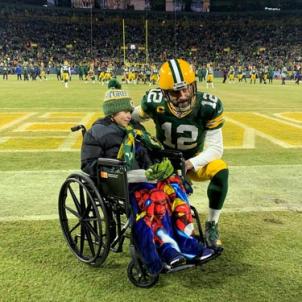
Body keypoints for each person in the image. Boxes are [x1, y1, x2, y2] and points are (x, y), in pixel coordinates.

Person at [81, 79, 214, 274]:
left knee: (175, 187)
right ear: (112, 112)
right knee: (155, 198)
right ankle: (166, 250)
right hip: (122, 184)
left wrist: (161, 167)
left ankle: (187, 243)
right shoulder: (96, 133)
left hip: (146, 176)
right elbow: (89, 165)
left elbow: (151, 152)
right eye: (125, 111)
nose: (129, 114)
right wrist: (125, 172)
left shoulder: (136, 128)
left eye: (130, 110)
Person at [132, 58, 229, 249]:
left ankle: (212, 223)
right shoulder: (154, 101)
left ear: (194, 85)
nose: (183, 95)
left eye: (186, 88)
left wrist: (190, 163)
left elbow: (216, 148)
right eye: (176, 91)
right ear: (164, 93)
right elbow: (132, 117)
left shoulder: (209, 106)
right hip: (163, 162)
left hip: (192, 160)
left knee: (221, 170)